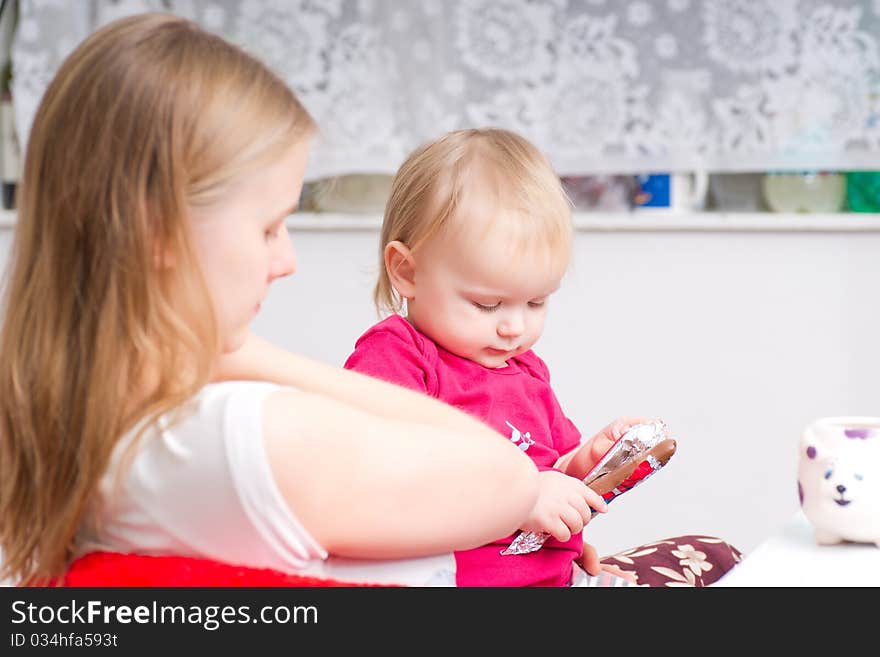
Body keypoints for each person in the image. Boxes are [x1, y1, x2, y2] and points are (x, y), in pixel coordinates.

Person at [0, 14, 543, 587]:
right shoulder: (229, 437)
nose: (286, 261)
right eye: (267, 228)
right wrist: (238, 354)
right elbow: (510, 482)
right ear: (158, 230)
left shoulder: (78, 418)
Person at [344, 128, 742, 586]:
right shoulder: (397, 358)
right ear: (407, 271)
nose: (514, 327)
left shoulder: (524, 370)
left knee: (717, 555)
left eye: (535, 302)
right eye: (487, 304)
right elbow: (387, 481)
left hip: (557, 578)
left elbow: (552, 468)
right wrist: (519, 499)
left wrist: (587, 463)